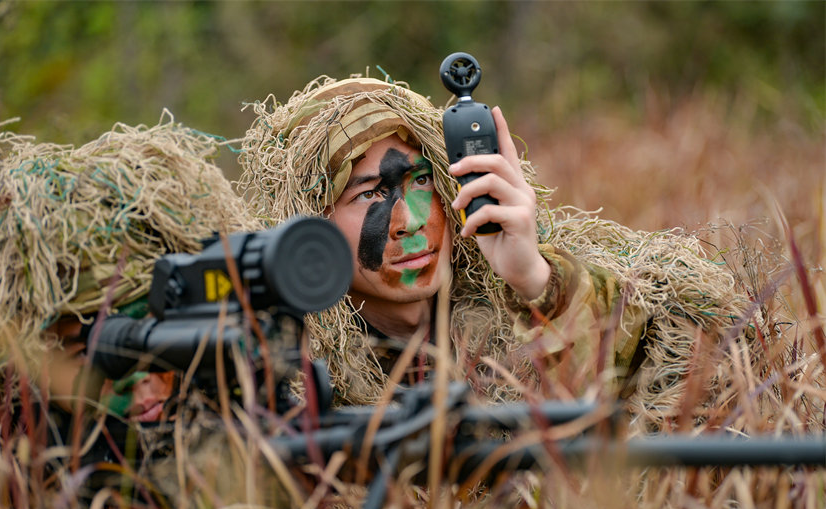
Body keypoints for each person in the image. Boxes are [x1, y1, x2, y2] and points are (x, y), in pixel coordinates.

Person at [238, 75, 758, 431]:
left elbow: (682, 365)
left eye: (422, 181)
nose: (412, 221)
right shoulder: (288, 364)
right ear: (309, 229)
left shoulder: (520, 298)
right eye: (370, 194)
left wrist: (534, 279)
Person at [0, 113, 257, 432]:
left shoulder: (245, 427)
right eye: (94, 352)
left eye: (153, 335)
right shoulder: (16, 467)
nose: (135, 379)